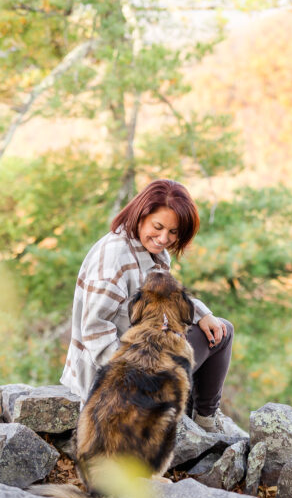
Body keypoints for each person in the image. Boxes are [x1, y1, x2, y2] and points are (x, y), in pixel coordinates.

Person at [60, 178, 234, 433]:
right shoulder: (114, 259)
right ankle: (199, 422)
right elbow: (94, 331)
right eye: (158, 226)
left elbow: (163, 301)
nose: (164, 238)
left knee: (218, 329)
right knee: (221, 336)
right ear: (141, 214)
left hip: (144, 359)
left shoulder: (149, 250)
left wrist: (201, 313)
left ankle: (203, 420)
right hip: (119, 381)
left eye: (173, 232)